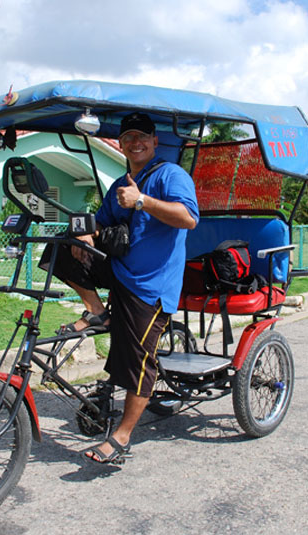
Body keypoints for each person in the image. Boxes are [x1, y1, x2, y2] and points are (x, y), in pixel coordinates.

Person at [41, 112, 199, 464]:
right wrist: (85, 233)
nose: (135, 142)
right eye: (128, 137)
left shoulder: (171, 175)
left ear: (155, 142)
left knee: (136, 362)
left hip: (150, 284)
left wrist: (143, 201)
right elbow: (105, 223)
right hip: (118, 270)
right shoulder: (120, 184)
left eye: (142, 136)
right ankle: (97, 311)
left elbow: (188, 218)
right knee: (59, 249)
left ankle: (122, 436)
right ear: (122, 144)